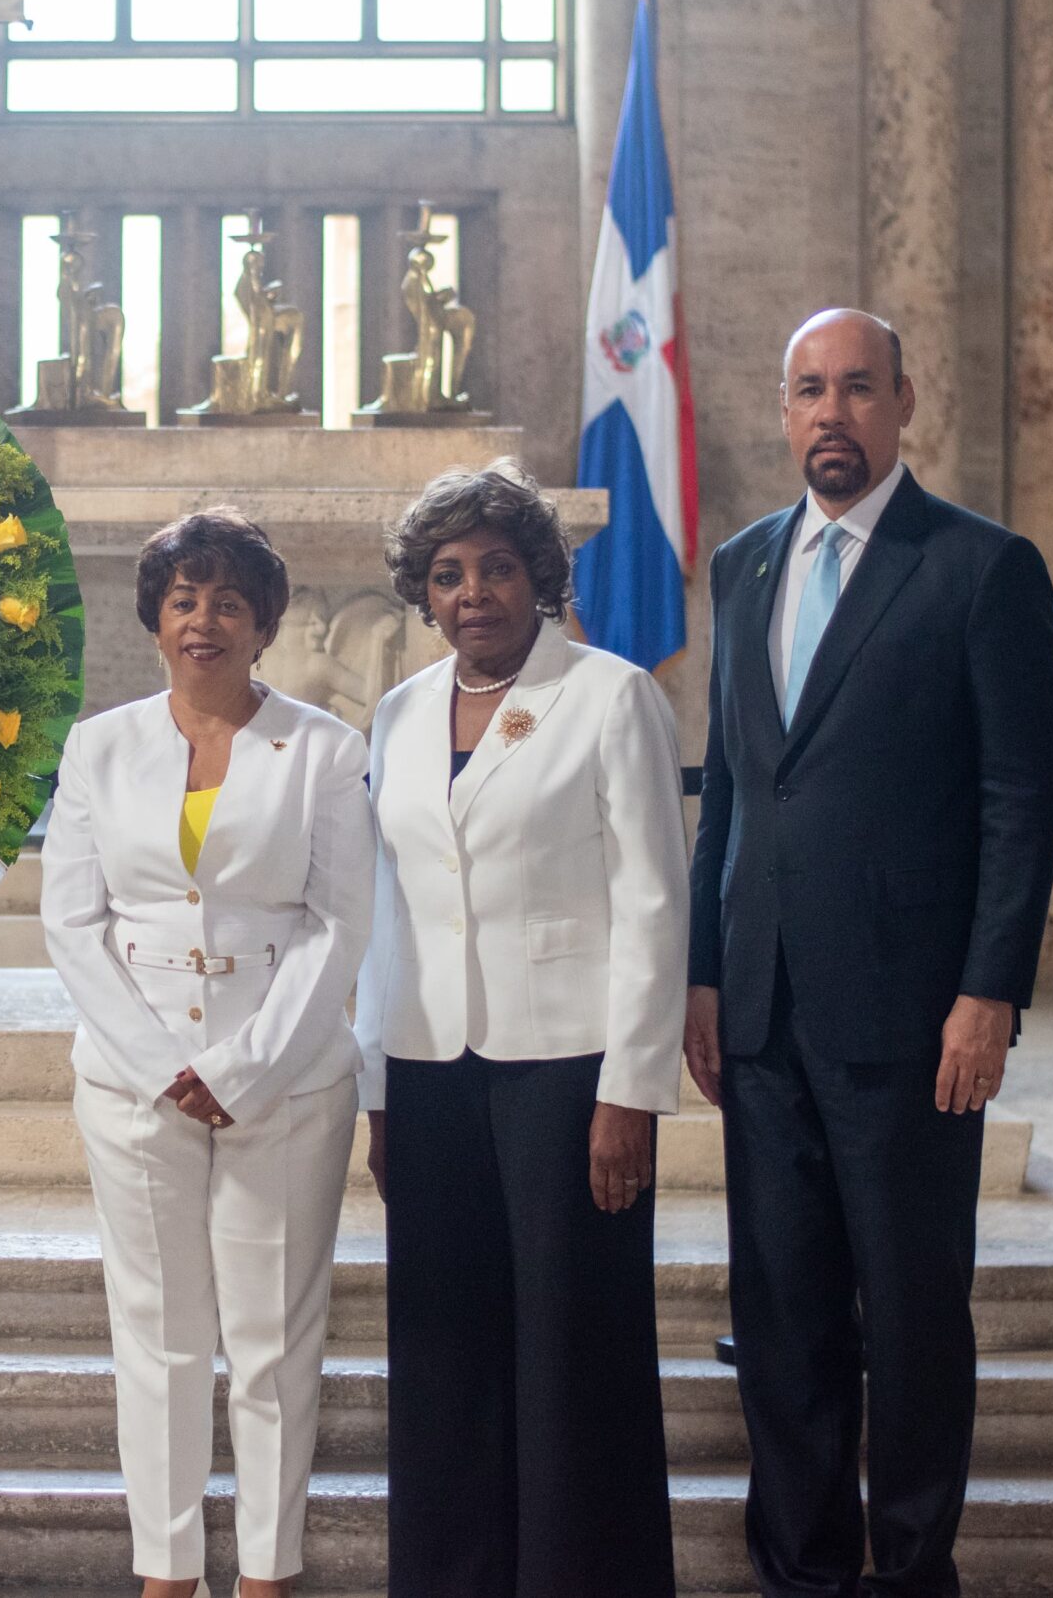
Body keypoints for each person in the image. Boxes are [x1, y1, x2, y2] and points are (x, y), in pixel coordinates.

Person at [689, 309, 1053, 1598]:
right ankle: (798, 1571)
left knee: (909, 1319)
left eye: (857, 387)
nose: (831, 413)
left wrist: (989, 990)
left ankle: (911, 1573)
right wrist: (702, 970)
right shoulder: (742, 565)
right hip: (760, 1012)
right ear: (781, 409)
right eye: (808, 389)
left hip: (912, 1019)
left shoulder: (977, 568)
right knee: (784, 1316)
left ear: (905, 401)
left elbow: (1022, 795)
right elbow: (735, 795)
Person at [354, 462, 687, 1598]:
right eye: (447, 575)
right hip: (429, 1065)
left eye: (496, 567)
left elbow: (654, 896)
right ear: (424, 595)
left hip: (569, 1068)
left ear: (538, 576)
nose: (473, 591)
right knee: (443, 1354)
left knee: (572, 1351)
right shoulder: (397, 715)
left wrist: (631, 1088)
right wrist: (378, 1090)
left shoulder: (609, 694)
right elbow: (387, 907)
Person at [40, 508, 375, 1598]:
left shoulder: (325, 747)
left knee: (274, 1338)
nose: (204, 618)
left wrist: (243, 1067)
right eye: (184, 598)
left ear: (264, 623)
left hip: (285, 1084)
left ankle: (268, 1572)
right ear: (155, 619)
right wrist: (157, 1064)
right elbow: (71, 922)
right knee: (159, 1335)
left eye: (229, 599)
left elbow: (338, 921)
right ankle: (167, 1570)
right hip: (135, 1087)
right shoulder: (99, 745)